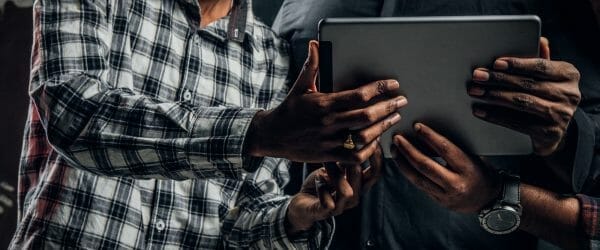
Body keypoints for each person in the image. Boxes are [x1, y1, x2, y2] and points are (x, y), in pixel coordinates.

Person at [8, 0, 406, 248]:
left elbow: (240, 225)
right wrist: (258, 133)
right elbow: (75, 116)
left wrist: (295, 215)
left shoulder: (270, 57)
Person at [273, 0, 600, 249]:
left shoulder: (548, 6)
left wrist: (563, 137)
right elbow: (263, 165)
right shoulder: (299, 7)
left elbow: (589, 154)